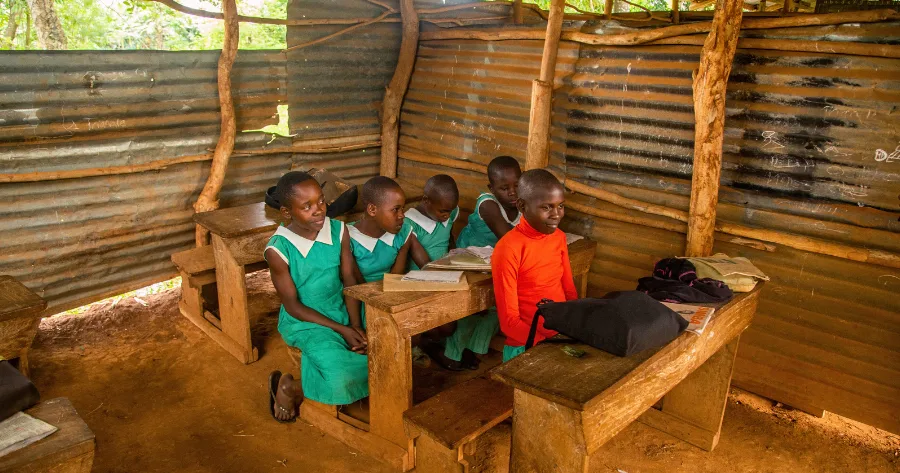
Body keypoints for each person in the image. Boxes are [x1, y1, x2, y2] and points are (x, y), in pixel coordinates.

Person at [266, 172, 368, 423]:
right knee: (342, 375)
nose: (318, 210)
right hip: (306, 321)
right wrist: (342, 330)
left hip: (344, 306)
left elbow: (349, 279)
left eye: (321, 201)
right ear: (287, 212)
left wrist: (354, 324)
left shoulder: (339, 230)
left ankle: (345, 365)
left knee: (390, 340)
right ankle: (291, 388)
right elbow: (292, 306)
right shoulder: (279, 249)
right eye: (307, 206)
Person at [492, 169, 579, 362]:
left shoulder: (559, 238)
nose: (556, 215)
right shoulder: (508, 248)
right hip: (526, 346)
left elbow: (569, 291)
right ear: (522, 206)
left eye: (561, 206)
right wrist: (545, 346)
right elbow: (509, 322)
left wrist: (570, 332)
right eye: (547, 208)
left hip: (559, 337)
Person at [456, 156, 522, 249]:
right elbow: (510, 241)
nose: (512, 192)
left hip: (497, 255)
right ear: (492, 189)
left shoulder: (524, 200)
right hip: (469, 255)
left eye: (517, 185)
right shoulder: (487, 205)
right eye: (504, 188)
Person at [403, 174, 461, 266]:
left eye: (451, 211)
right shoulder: (409, 223)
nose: (448, 215)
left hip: (445, 272)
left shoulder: (449, 211)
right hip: (422, 275)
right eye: (443, 211)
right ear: (426, 200)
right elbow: (425, 266)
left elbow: (450, 239)